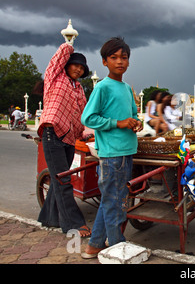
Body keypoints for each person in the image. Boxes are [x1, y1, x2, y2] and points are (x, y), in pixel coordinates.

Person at [80, 37, 142, 259]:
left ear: (128, 61)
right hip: (111, 155)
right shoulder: (103, 87)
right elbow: (88, 117)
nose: (120, 62)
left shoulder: (126, 88)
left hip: (126, 152)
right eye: (114, 58)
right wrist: (118, 123)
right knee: (115, 205)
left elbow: (132, 115)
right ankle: (117, 248)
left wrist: (135, 123)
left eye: (124, 58)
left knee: (111, 201)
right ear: (104, 62)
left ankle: (94, 245)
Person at [37, 41, 91, 238]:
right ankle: (73, 224)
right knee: (64, 180)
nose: (78, 69)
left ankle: (48, 218)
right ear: (67, 64)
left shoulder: (79, 89)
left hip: (69, 138)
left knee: (59, 179)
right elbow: (59, 55)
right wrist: (70, 44)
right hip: (52, 134)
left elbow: (83, 115)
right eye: (75, 64)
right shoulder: (55, 77)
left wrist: (88, 132)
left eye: (82, 67)